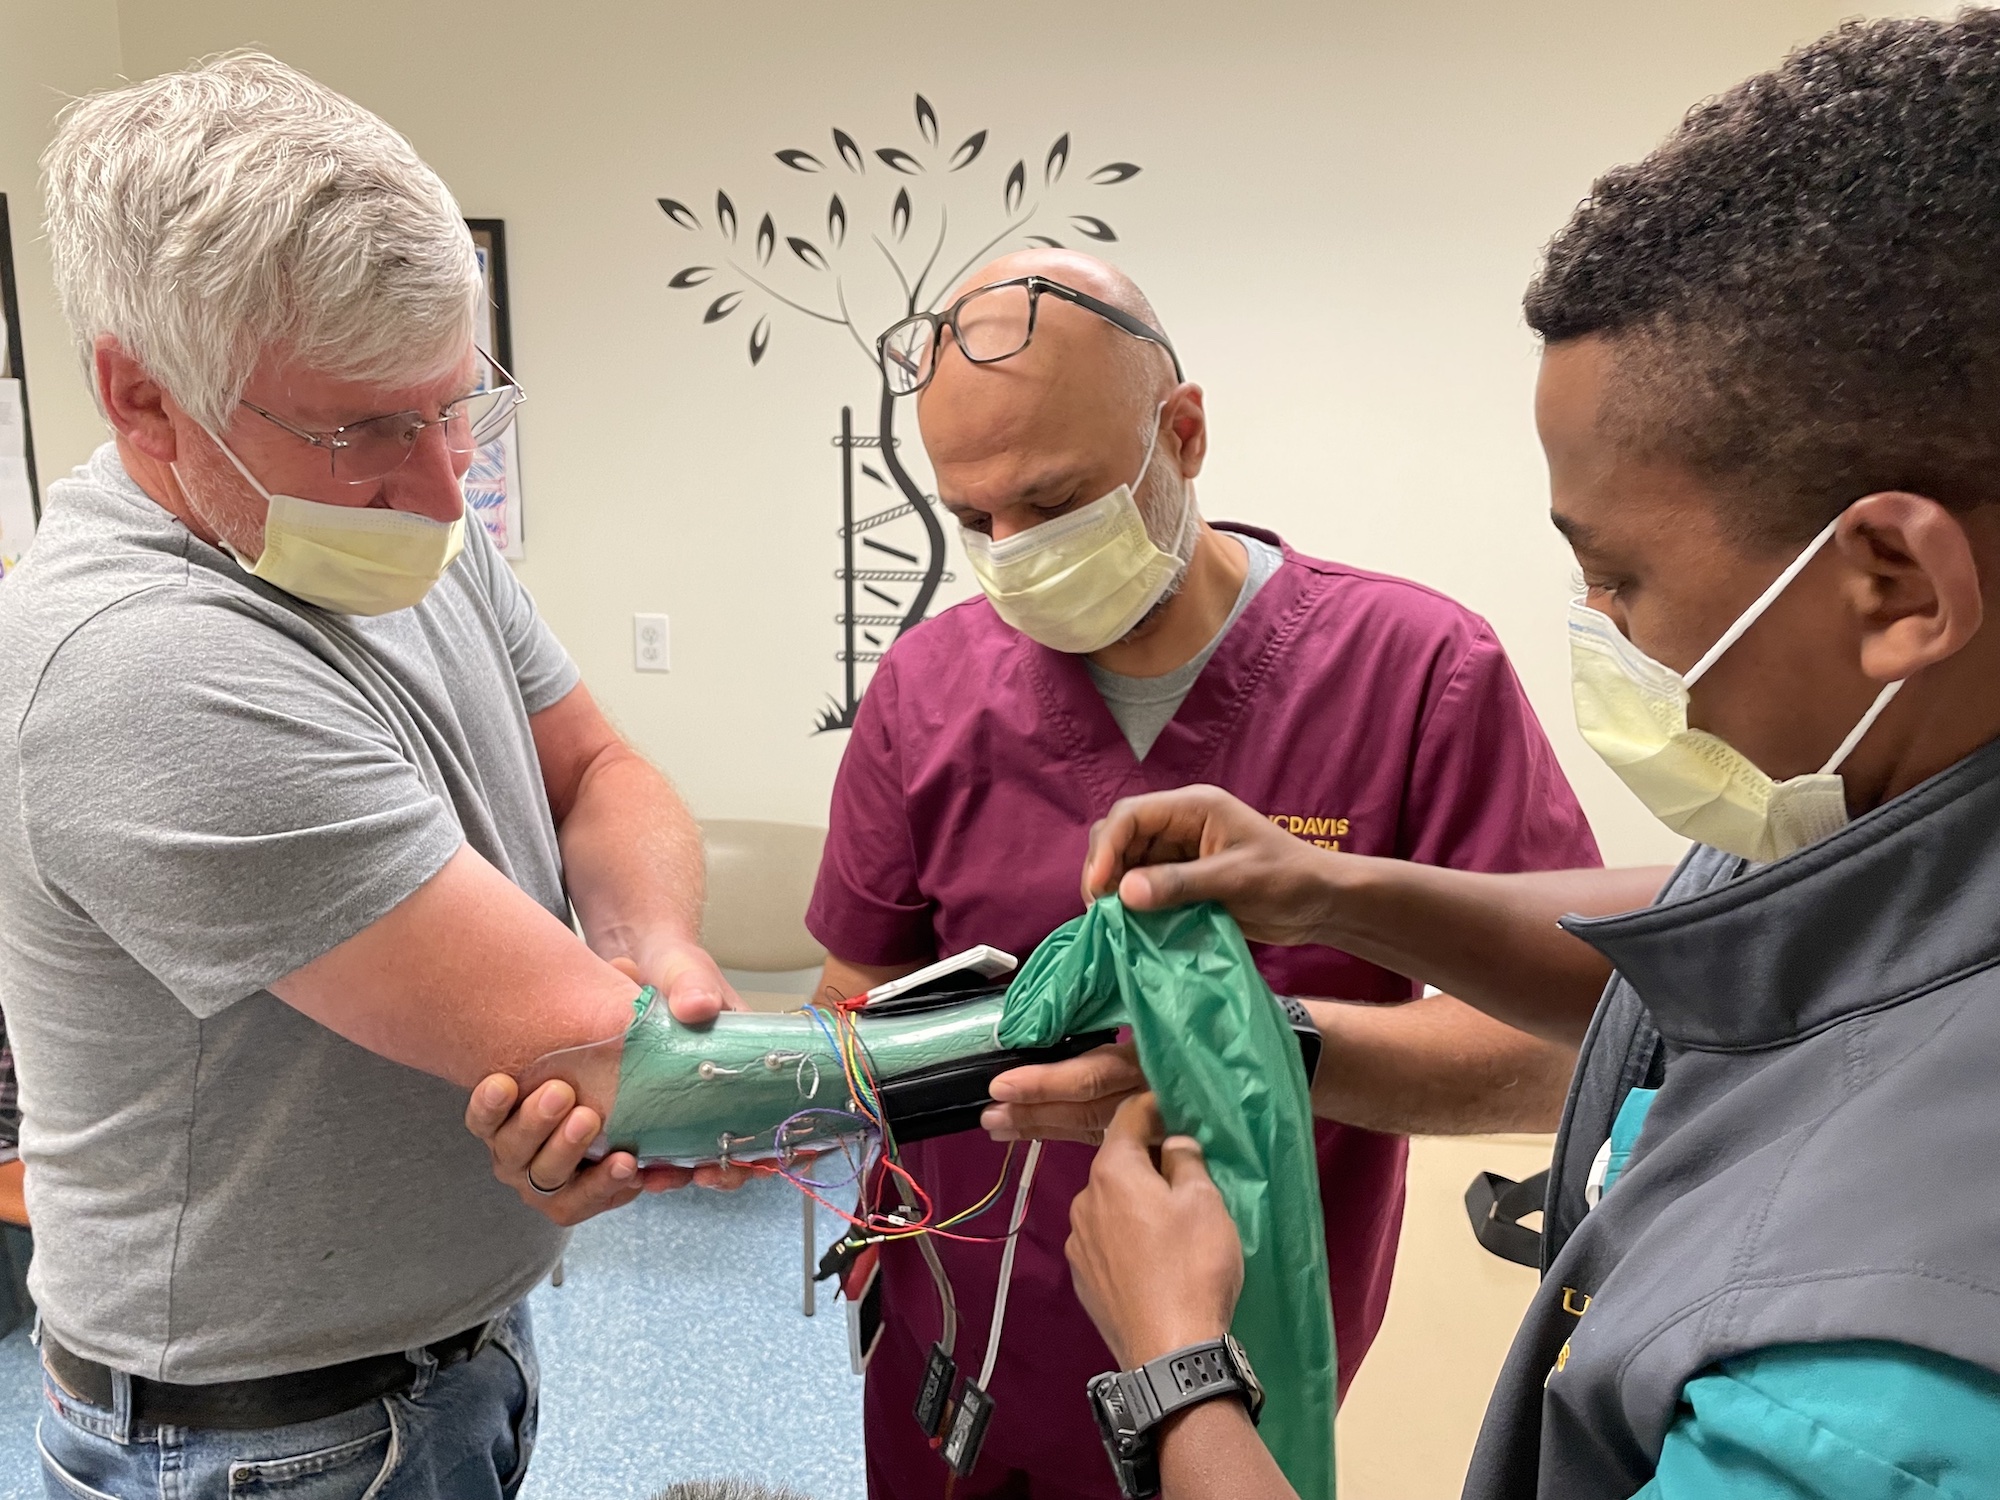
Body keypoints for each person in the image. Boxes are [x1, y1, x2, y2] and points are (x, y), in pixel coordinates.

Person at [1064, 13, 2000, 1498]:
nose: (1594, 622)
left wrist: (1180, 1376)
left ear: (1893, 585)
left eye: (1619, 575)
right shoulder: (1896, 801)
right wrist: (1334, 894)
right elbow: (1710, 950)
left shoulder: (1867, 1402)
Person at [3, 53, 737, 1499]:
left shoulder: (389, 537)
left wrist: (660, 948)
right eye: (365, 430)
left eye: (456, 404)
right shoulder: (140, 665)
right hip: (272, 1439)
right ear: (143, 398)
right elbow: (615, 1064)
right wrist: (647, 1053)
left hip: (446, 1350)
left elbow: (600, 768)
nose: (445, 485)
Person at [803, 247, 1602, 1498]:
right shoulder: (927, 690)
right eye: (974, 521)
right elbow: (851, 1008)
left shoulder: (1413, 673)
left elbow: (1563, 1050)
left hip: (1243, 1362)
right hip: (955, 1343)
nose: (1010, 552)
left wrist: (1237, 1048)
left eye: (1052, 502)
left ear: (1180, 433)